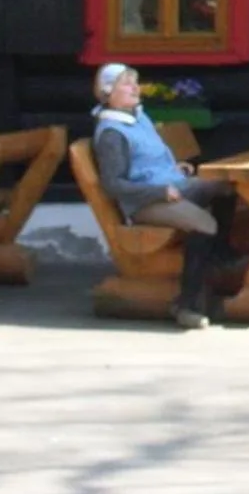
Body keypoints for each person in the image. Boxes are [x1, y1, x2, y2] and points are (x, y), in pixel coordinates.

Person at [90, 63, 240, 329]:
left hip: (170, 185)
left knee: (226, 189)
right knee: (205, 225)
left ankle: (218, 261)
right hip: (146, 202)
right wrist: (158, 190)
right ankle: (186, 305)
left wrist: (172, 168)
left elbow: (150, 159)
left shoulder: (138, 117)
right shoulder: (112, 133)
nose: (135, 87)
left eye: (134, 81)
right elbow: (113, 185)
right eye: (126, 83)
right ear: (107, 92)